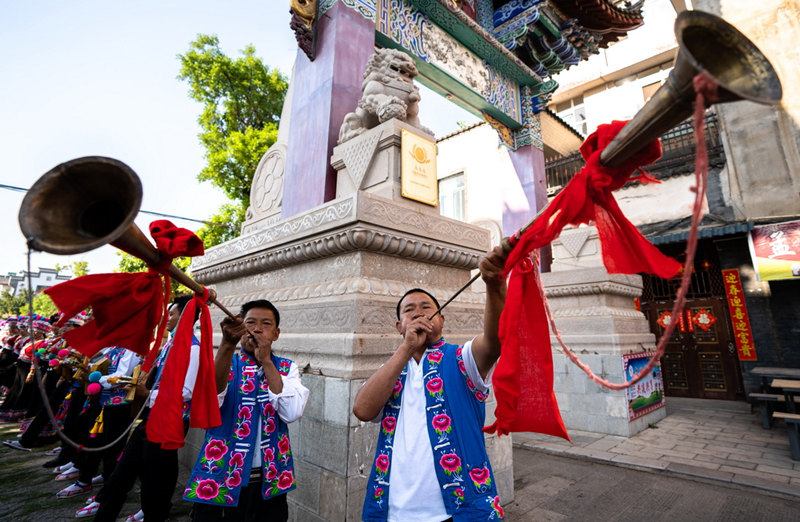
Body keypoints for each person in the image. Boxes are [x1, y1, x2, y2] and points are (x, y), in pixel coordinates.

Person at [354, 246, 508, 521]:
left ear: (441, 320)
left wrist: (494, 285)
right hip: (394, 511)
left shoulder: (461, 358)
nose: (418, 313)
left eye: (427, 308)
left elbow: (495, 341)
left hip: (457, 511)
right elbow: (363, 410)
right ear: (399, 326)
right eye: (409, 310)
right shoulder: (391, 371)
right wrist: (406, 348)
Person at [183, 299, 309, 522]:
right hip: (221, 477)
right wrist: (226, 344)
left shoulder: (287, 368)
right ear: (241, 328)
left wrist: (267, 362)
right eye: (250, 322)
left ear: (276, 333)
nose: (257, 329)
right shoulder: (224, 361)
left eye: (266, 324)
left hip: (268, 481)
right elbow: (208, 402)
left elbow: (291, 413)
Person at [88, 294, 201, 521]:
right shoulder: (171, 343)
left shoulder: (192, 348)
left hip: (169, 421)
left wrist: (148, 394)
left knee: (155, 480)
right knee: (126, 473)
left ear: (186, 315)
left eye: (172, 313)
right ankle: (106, 510)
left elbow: (186, 392)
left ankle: (151, 512)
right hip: (153, 416)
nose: (167, 318)